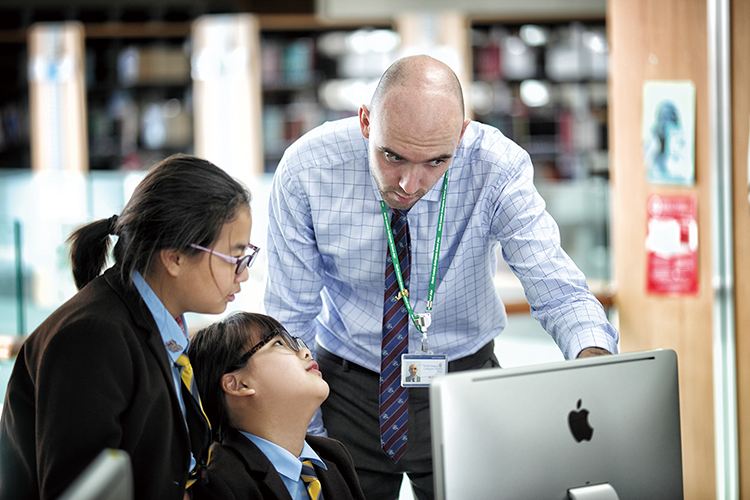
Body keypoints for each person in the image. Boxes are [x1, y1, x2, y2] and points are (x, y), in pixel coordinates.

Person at [264, 55, 619, 500]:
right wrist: (305, 436)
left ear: (462, 134)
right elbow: (288, 317)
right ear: (366, 122)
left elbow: (558, 289)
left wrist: (594, 363)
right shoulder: (306, 170)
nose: (410, 184)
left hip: (465, 383)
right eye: (392, 156)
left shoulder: (496, 166)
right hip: (346, 389)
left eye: (435, 161)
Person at [0, 154, 257, 500]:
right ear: (175, 257)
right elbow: (81, 491)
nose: (243, 273)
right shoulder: (93, 339)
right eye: (234, 257)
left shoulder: (162, 325)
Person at [187, 312, 366, 500]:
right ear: (238, 384)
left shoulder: (333, 455)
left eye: (296, 343)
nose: (306, 352)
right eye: (278, 343)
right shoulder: (218, 482)